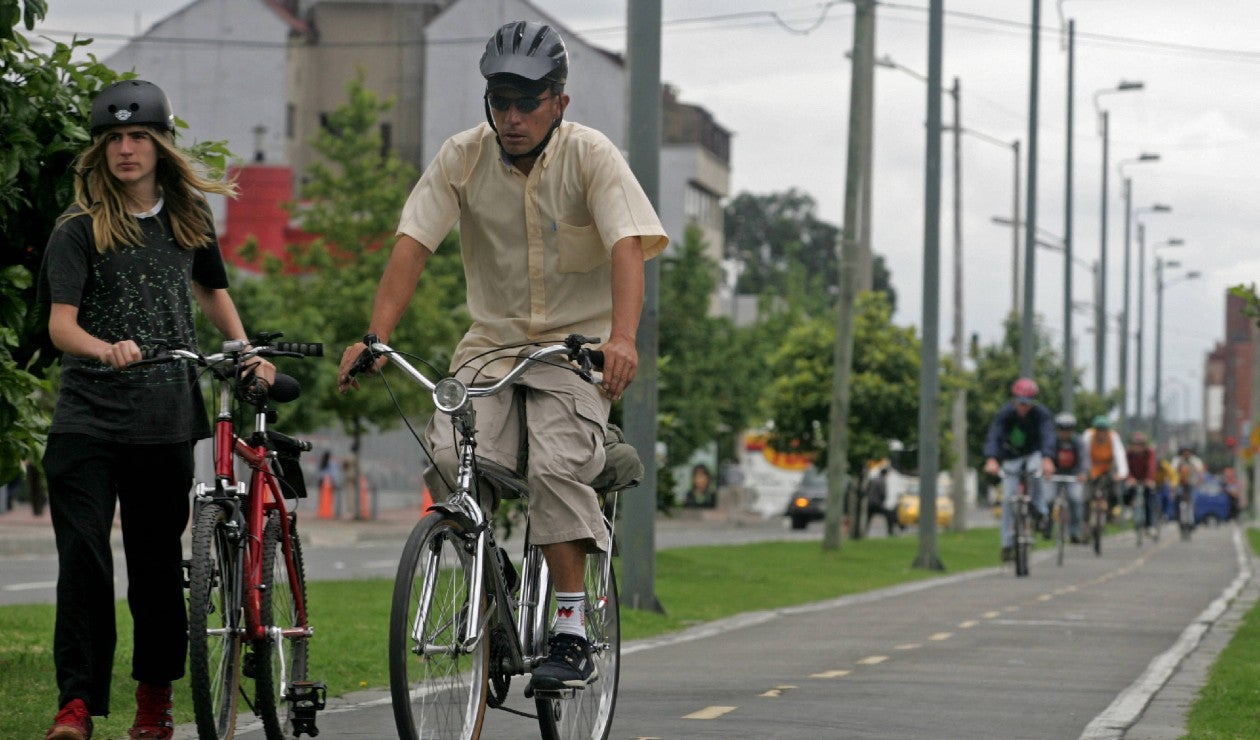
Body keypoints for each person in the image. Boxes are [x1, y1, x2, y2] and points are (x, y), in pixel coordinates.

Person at [336, 21, 667, 694]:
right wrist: (376, 337)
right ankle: (493, 577)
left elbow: (627, 246)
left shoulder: (592, 156)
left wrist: (623, 339)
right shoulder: (461, 157)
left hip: (577, 351)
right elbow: (413, 245)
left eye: (526, 102)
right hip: (490, 348)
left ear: (559, 102)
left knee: (553, 462)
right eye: (499, 102)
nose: (511, 118)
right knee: (448, 453)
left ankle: (571, 627)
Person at [36, 79, 274, 740]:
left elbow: (213, 292)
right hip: (86, 417)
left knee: (155, 571)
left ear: (160, 143)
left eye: (137, 135)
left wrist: (246, 352)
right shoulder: (78, 230)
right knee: (84, 559)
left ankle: (153, 702)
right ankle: (75, 707)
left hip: (164, 418)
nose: (126, 149)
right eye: (113, 139)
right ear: (101, 150)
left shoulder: (188, 218)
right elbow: (61, 326)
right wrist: (103, 347)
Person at [982, 378, 1056, 563]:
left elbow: (1048, 436)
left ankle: (1040, 512)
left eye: (1028, 403)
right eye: (1021, 402)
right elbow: (994, 435)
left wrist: (1047, 459)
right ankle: (1007, 544)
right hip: (1011, 457)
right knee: (1007, 499)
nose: (1024, 407)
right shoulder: (1005, 413)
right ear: (1014, 399)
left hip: (1033, 454)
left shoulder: (1041, 414)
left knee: (1035, 473)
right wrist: (991, 458)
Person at [1043, 412, 1088, 543]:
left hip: (1073, 474)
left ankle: (1074, 532)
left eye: (1068, 429)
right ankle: (1047, 527)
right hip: (1054, 473)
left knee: (1075, 499)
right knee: (1048, 499)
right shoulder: (1052, 441)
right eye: (1062, 429)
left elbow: (1084, 459)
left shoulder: (1078, 442)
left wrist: (1083, 472)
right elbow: (1046, 455)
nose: (1065, 432)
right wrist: (1047, 468)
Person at [1082, 416, 1128, 523]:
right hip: (1091, 468)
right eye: (1099, 430)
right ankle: (1085, 521)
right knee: (1086, 496)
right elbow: (1083, 455)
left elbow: (1120, 455)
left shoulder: (1113, 437)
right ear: (1095, 430)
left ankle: (1110, 513)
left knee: (1114, 492)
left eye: (1104, 430)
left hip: (1107, 469)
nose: (1101, 433)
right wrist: (1084, 472)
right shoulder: (1088, 435)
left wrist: (1121, 473)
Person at [1124, 431, 1158, 534]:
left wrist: (1149, 479)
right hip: (1133, 478)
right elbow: (1126, 467)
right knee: (1127, 490)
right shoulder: (1128, 453)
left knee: (1149, 500)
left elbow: (1151, 466)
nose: (1138, 447)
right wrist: (1129, 478)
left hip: (1146, 479)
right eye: (1135, 445)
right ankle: (1128, 508)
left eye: (1140, 445)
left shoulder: (1150, 452)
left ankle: (1150, 525)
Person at [864, 465, 897, 537]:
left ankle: (864, 532)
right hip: (877, 503)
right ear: (886, 474)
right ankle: (890, 532)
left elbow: (867, 490)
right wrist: (882, 502)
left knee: (868, 518)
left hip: (869, 502)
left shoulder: (873, 479)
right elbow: (883, 493)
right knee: (889, 514)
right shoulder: (882, 481)